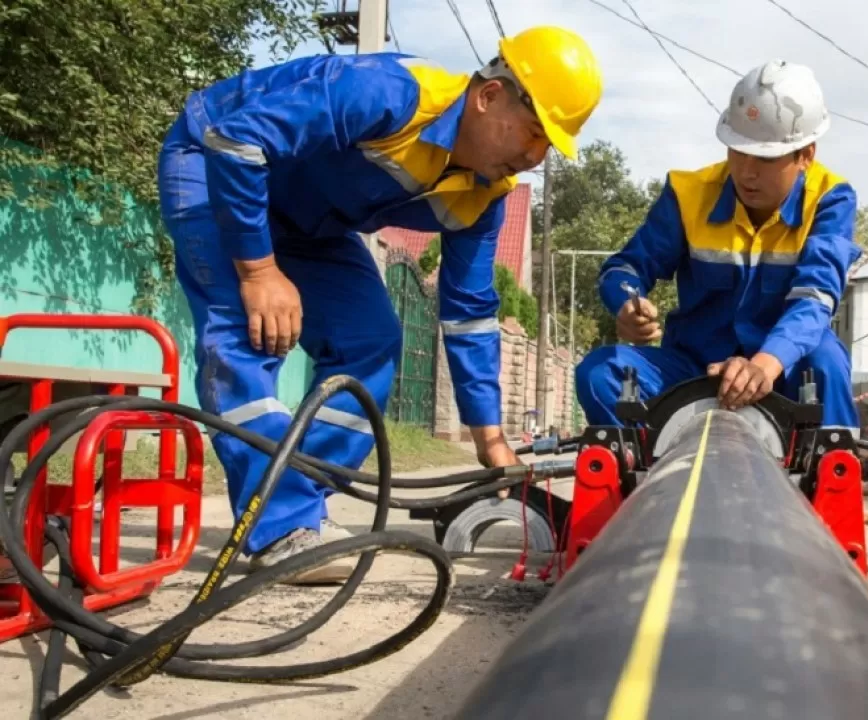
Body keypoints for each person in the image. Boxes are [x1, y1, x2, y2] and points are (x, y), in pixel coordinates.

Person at [157, 26, 603, 583]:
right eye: (534, 134)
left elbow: (468, 314)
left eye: (547, 147)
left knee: (370, 343)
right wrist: (259, 269)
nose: (534, 158)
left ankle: (293, 502)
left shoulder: (484, 197)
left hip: (311, 225)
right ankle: (279, 526)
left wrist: (490, 440)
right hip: (213, 166)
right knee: (245, 335)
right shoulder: (391, 93)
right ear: (489, 97)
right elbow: (238, 140)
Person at [576, 59, 859, 430]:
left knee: (826, 363)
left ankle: (834, 473)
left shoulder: (829, 200)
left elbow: (815, 298)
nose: (746, 171)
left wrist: (765, 364)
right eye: (738, 149)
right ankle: (648, 479)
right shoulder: (687, 195)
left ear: (805, 155)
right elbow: (624, 269)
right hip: (694, 370)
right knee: (599, 373)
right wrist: (626, 303)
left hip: (783, 371)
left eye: (765, 157)